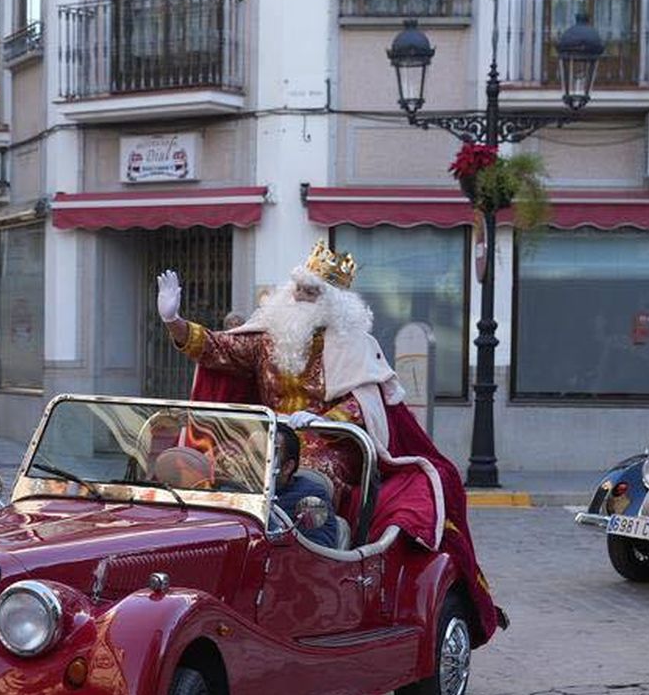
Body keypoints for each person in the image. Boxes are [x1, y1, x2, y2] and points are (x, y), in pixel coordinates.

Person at [156, 242, 507, 646]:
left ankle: (316, 557)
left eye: (311, 292)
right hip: (272, 437)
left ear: (332, 303)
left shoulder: (351, 344)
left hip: (330, 442)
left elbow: (364, 402)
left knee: (309, 479)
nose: (300, 297)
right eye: (298, 289)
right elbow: (218, 349)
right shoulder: (267, 337)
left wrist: (324, 419)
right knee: (224, 466)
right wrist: (174, 322)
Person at [273, 424, 343, 549]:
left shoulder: (311, 499)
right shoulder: (237, 488)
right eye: (247, 454)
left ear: (287, 467)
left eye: (261, 457)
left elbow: (318, 551)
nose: (248, 463)